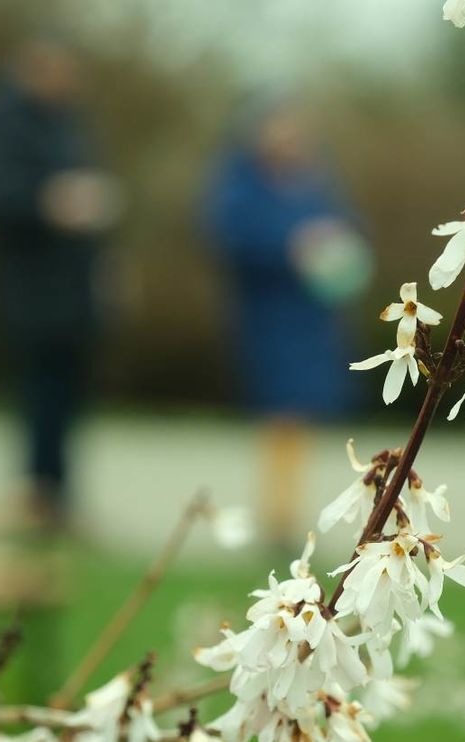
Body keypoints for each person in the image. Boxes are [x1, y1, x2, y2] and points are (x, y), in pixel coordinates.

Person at [203, 96, 372, 547]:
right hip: (266, 314)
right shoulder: (241, 185)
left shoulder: (314, 181)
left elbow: (347, 228)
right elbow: (229, 235)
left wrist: (336, 246)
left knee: (300, 416)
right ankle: (277, 517)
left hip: (311, 316)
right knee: (280, 415)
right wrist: (290, 245)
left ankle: (286, 513)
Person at [0, 35, 119, 531]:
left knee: (69, 399)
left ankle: (60, 496)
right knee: (37, 396)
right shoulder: (4, 124)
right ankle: (34, 497)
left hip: (74, 290)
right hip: (31, 291)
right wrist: (51, 203)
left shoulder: (69, 125)